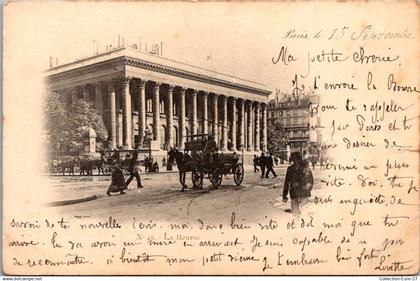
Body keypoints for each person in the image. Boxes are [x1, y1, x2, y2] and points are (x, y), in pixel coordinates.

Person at [282, 152, 314, 216]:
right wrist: (308, 189)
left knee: (296, 213)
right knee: (304, 211)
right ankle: (303, 223)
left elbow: (287, 182)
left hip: (294, 192)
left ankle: (297, 223)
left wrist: (284, 195)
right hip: (304, 192)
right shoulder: (306, 168)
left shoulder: (290, 168)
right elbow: (311, 180)